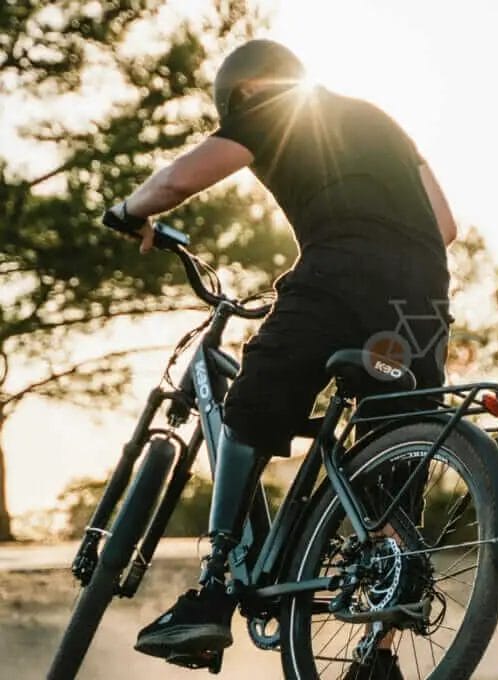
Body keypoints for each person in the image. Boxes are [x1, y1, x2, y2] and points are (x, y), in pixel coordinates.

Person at [107, 39, 457, 679]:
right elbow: (446, 224)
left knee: (256, 399)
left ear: (239, 95)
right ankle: (378, 653)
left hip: (339, 275)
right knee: (396, 458)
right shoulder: (383, 121)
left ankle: (212, 591)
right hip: (424, 296)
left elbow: (177, 180)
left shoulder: (271, 109)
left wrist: (129, 213)